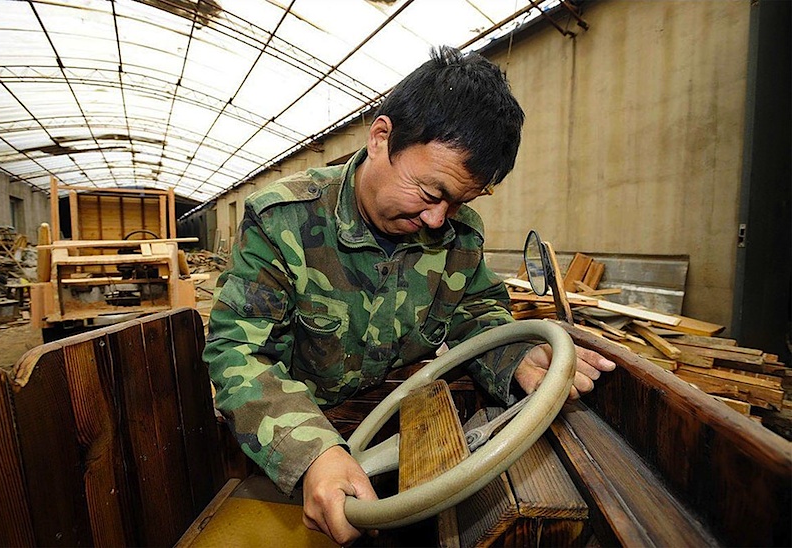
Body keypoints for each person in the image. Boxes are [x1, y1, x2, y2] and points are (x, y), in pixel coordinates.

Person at [203, 45, 615, 545]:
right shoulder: (282, 220)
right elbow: (238, 351)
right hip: (295, 446)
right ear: (382, 137)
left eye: (458, 202)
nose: (438, 219)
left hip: (400, 435)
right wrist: (310, 452)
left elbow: (478, 317)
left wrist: (516, 356)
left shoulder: (459, 236)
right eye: (429, 192)